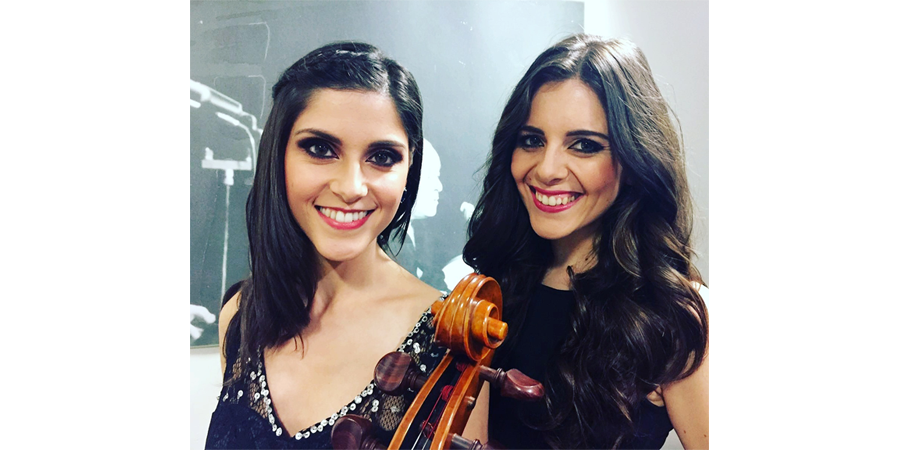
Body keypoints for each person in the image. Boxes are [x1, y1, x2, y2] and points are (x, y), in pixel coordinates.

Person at [206, 42, 487, 449]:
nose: (351, 187)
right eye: (320, 149)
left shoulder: (452, 345)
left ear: (410, 168)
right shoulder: (241, 314)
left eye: (382, 157)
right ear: (277, 155)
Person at [463, 34, 709, 450]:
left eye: (584, 146)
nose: (547, 169)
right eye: (532, 140)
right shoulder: (493, 293)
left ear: (633, 161)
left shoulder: (676, 314)